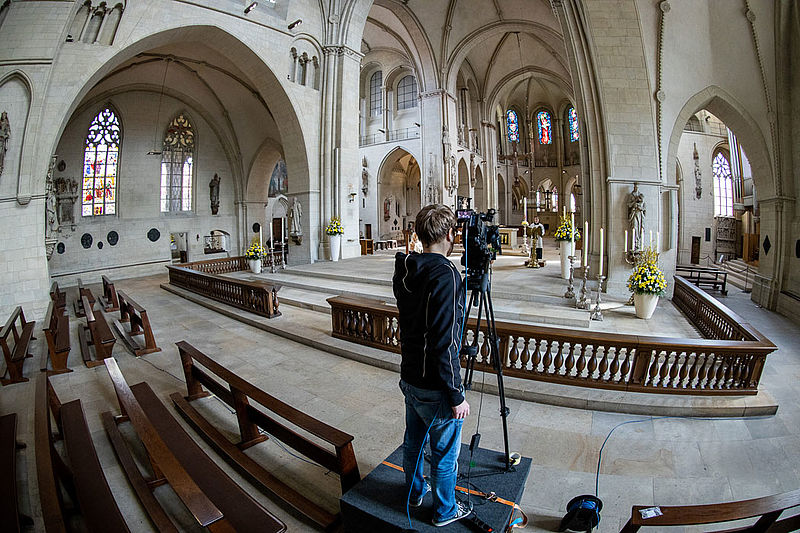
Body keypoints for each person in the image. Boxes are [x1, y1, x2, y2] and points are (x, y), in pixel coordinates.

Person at [393, 204, 472, 527]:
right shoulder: (446, 274)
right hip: (436, 385)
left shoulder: (406, 267)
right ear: (450, 235)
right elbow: (443, 342)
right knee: (444, 454)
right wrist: (456, 395)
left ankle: (414, 492)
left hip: (410, 374)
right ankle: (444, 510)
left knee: (413, 442)